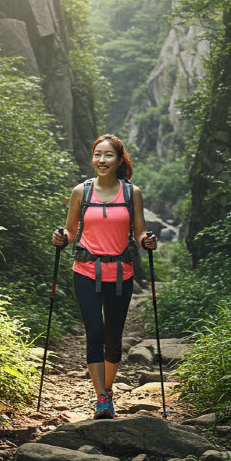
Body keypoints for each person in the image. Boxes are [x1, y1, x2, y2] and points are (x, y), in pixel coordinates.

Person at [52, 134, 157, 419]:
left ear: (120, 159)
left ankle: (107, 390)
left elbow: (139, 232)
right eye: (98, 154)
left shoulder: (131, 193)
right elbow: (71, 232)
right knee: (94, 333)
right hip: (85, 271)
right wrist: (62, 238)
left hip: (121, 273)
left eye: (108, 155)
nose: (102, 160)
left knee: (113, 337)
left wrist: (147, 240)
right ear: (92, 158)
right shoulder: (81, 192)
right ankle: (101, 397)